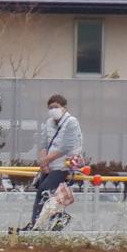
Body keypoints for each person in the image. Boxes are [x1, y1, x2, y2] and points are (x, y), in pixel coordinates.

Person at [28, 95, 82, 230]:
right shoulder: (49, 122)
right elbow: (43, 144)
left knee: (44, 190)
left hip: (65, 165)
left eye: (56, 107)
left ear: (64, 108)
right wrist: (44, 163)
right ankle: (44, 221)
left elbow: (66, 147)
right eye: (50, 108)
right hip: (50, 165)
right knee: (45, 193)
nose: (53, 110)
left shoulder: (71, 122)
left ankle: (39, 224)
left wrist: (46, 160)